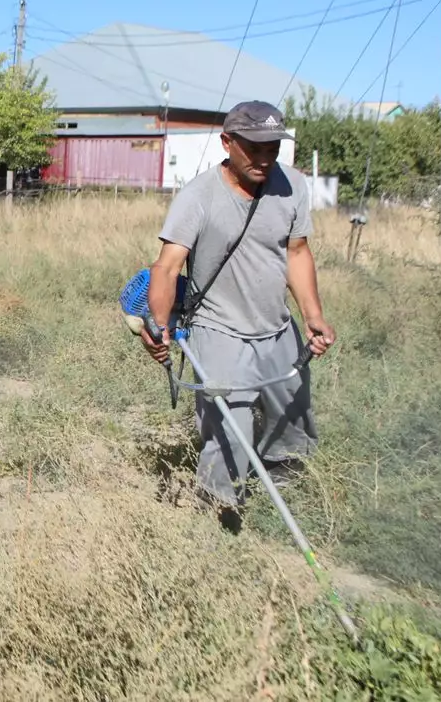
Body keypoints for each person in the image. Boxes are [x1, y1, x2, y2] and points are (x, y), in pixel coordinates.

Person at [139, 100, 335, 517]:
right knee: (230, 424)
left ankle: (283, 486)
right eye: (254, 148)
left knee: (293, 416)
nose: (265, 159)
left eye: (273, 149)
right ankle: (218, 510)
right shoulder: (198, 196)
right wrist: (159, 326)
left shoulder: (293, 187)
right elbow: (167, 265)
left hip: (277, 327)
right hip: (219, 328)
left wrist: (313, 317)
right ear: (227, 143)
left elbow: (297, 253)